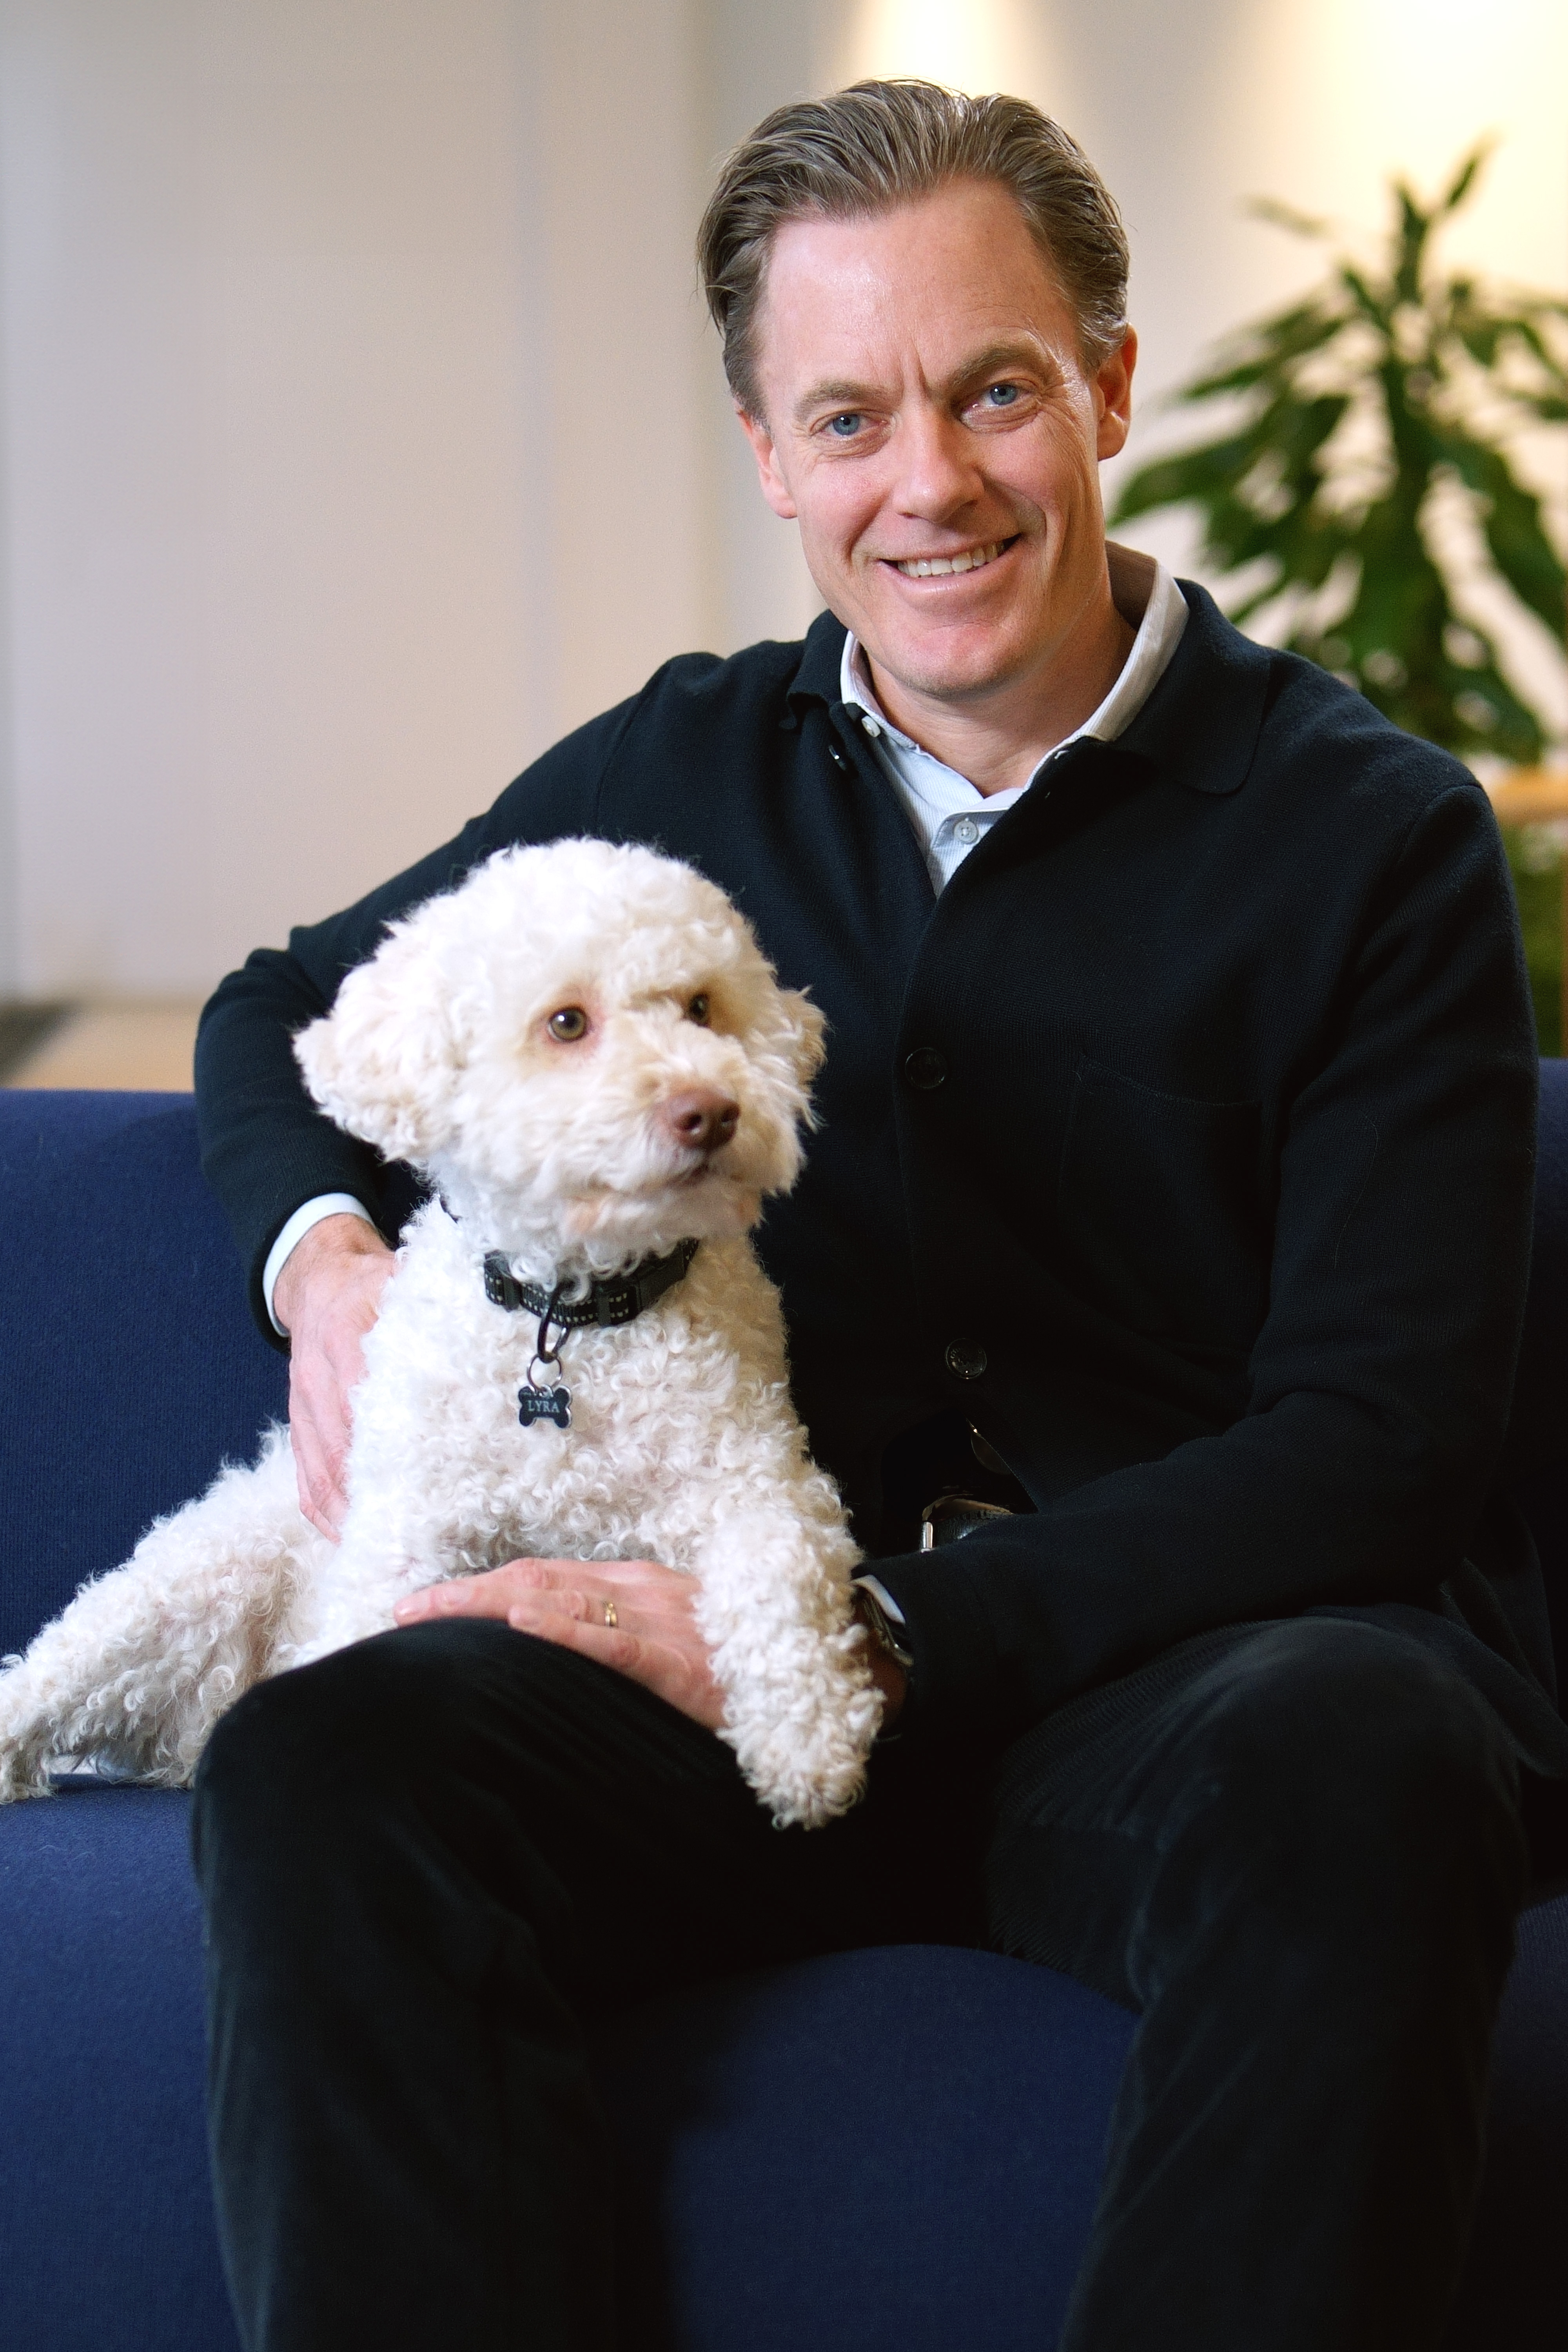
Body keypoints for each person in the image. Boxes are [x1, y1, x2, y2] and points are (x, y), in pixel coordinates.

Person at [189, 79, 1568, 2352]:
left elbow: (1380, 1443)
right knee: (330, 1762)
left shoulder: (1373, 835)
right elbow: (275, 1013)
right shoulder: (681, 766)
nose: (927, 483)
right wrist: (325, 1265)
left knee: (1376, 1748)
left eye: (993, 391)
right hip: (711, 1702)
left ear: (1110, 385)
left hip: (1173, 1695)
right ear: (769, 451)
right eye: (848, 417)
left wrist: (897, 1633)